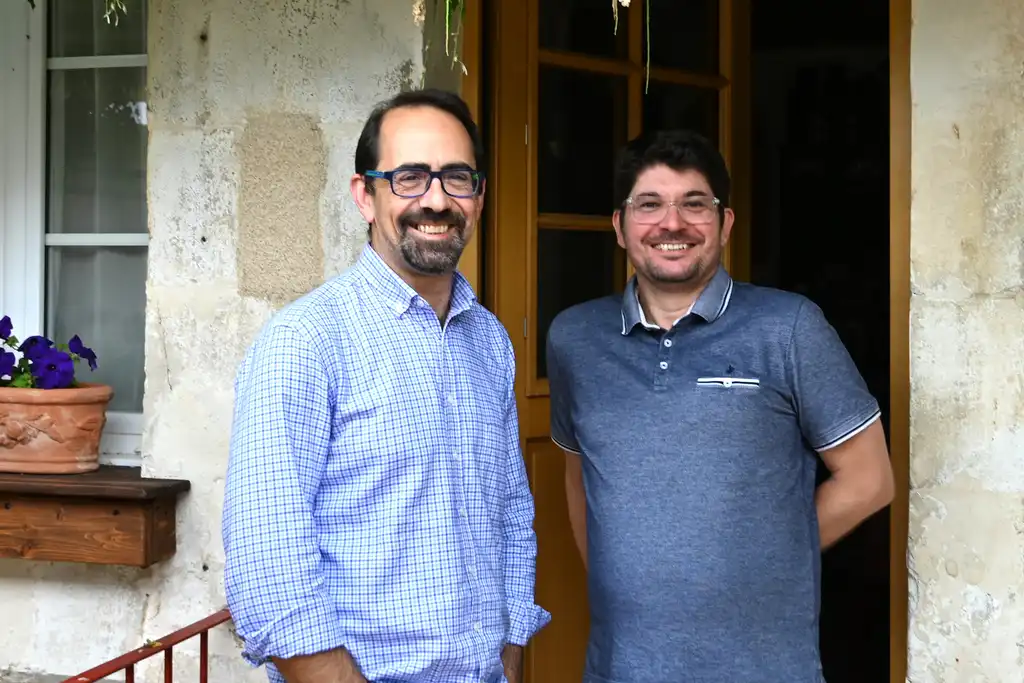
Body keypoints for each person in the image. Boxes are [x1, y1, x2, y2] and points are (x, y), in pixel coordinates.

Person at [222, 88, 550, 683]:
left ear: (478, 196)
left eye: (457, 177)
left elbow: (508, 514)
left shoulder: (489, 341)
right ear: (364, 196)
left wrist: (508, 648)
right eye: (409, 177)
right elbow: (269, 562)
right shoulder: (306, 341)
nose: (436, 199)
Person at [545, 129, 894, 683]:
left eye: (695, 204)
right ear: (619, 226)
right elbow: (578, 479)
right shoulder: (575, 340)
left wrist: (762, 553)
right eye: (649, 205)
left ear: (725, 223)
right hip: (622, 666)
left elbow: (871, 479)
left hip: (764, 667)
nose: (672, 224)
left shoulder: (789, 327)